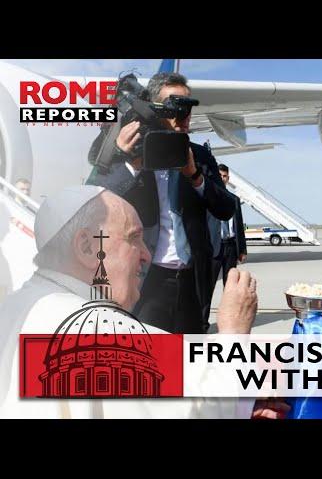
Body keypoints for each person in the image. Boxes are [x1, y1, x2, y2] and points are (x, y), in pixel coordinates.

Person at [0, 185, 283, 419]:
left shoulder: (12, 309)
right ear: (87, 247)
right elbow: (207, 401)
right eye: (133, 238)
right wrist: (234, 331)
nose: (147, 255)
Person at [86, 72, 236, 334]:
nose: (184, 114)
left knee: (188, 361)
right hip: (147, 281)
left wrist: (195, 176)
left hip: (192, 281)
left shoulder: (199, 156)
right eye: (174, 106)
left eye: (188, 107)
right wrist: (128, 163)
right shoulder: (128, 150)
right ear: (155, 109)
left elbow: (226, 209)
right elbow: (94, 202)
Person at [208, 164, 248, 297]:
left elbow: (239, 226)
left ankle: (228, 315)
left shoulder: (234, 200)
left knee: (230, 284)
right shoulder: (207, 197)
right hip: (214, 245)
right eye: (219, 175)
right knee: (209, 284)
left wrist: (242, 250)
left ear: (228, 178)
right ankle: (202, 318)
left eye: (225, 176)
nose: (222, 178)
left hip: (230, 246)